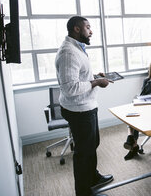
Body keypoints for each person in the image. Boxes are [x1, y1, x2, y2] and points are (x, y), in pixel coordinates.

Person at [55, 16, 113, 196]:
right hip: (79, 110)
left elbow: (79, 77)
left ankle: (92, 177)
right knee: (83, 153)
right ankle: (83, 191)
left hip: (87, 106)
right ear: (76, 29)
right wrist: (96, 83)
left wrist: (95, 76)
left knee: (92, 144)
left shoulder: (76, 48)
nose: (91, 31)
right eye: (88, 27)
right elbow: (70, 87)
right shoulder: (68, 53)